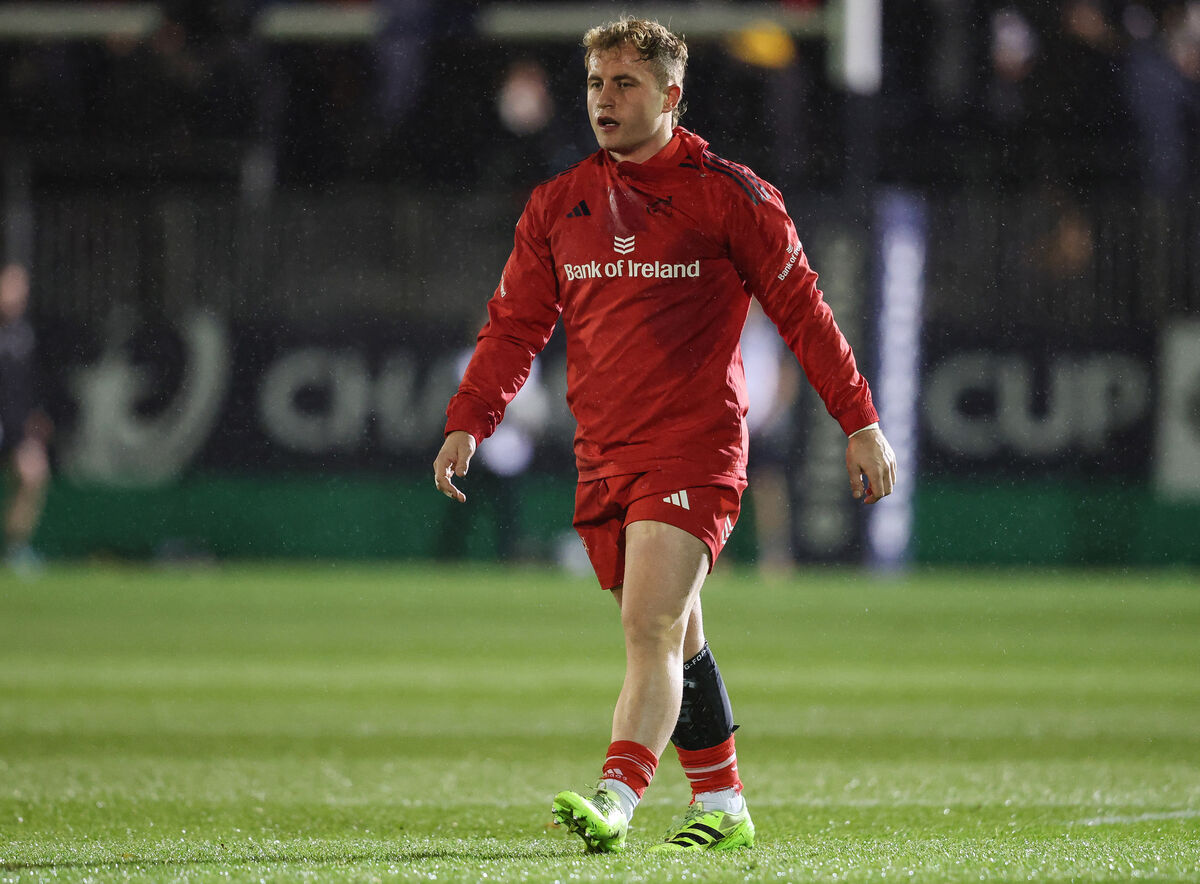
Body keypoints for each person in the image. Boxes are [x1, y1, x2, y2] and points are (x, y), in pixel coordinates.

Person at [432, 17, 896, 853]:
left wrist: (859, 420)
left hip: (694, 448)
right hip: (604, 452)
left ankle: (615, 798)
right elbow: (515, 327)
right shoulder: (558, 203)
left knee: (648, 627)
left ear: (671, 95)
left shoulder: (731, 196)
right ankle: (724, 804)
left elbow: (806, 315)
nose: (604, 100)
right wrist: (471, 418)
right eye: (595, 84)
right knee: (680, 637)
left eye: (626, 84)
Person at [0, 263, 51, 575]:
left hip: (16, 427)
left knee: (33, 476)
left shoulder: (24, 333)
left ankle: (16, 549)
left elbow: (26, 383)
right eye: (10, 287)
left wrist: (35, 415)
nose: (16, 295)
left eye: (21, 289)